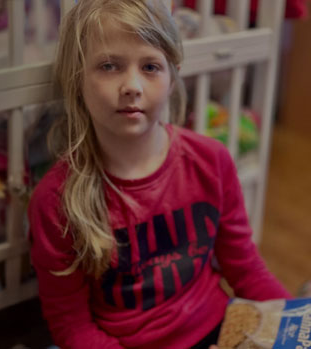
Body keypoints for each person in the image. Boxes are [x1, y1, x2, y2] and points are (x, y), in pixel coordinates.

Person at [26, 0, 291, 348]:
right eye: (109, 66)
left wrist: (295, 321)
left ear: (172, 75)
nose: (132, 85)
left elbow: (245, 268)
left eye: (150, 66)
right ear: (77, 78)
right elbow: (71, 325)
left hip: (217, 331)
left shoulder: (212, 161)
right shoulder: (55, 200)